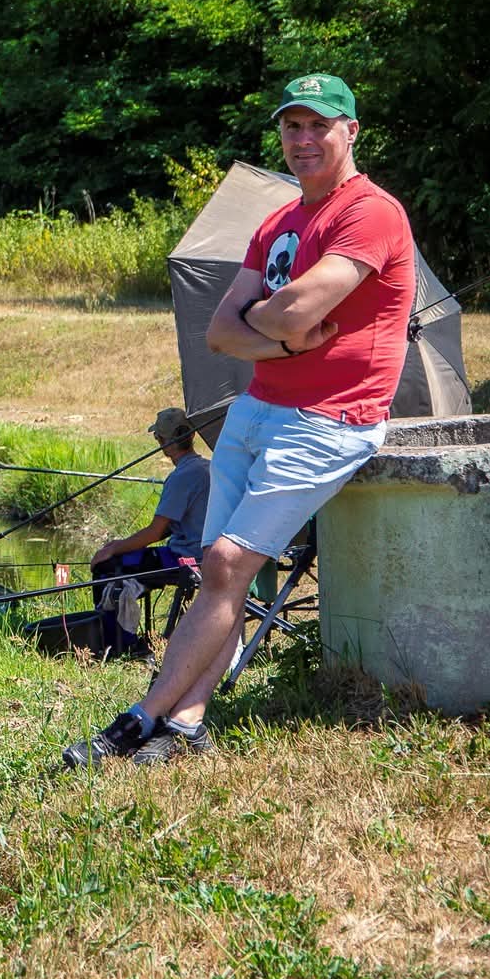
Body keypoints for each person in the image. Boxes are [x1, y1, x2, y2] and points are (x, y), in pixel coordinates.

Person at [63, 72, 414, 768]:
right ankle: (188, 723)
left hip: (330, 419)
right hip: (256, 408)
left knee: (226, 561)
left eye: (319, 125)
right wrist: (282, 340)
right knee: (217, 572)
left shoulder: (370, 213)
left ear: (351, 132)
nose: (304, 139)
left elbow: (288, 309)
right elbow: (222, 333)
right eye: (292, 126)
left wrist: (272, 320)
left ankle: (138, 719)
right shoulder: (277, 224)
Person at [88, 407, 210, 658]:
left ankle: (119, 646)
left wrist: (113, 548)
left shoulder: (182, 476)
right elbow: (170, 526)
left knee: (107, 566)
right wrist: (123, 544)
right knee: (130, 560)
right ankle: (138, 638)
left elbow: (155, 532)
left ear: (162, 441)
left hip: (185, 559)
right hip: (207, 553)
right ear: (191, 435)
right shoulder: (208, 468)